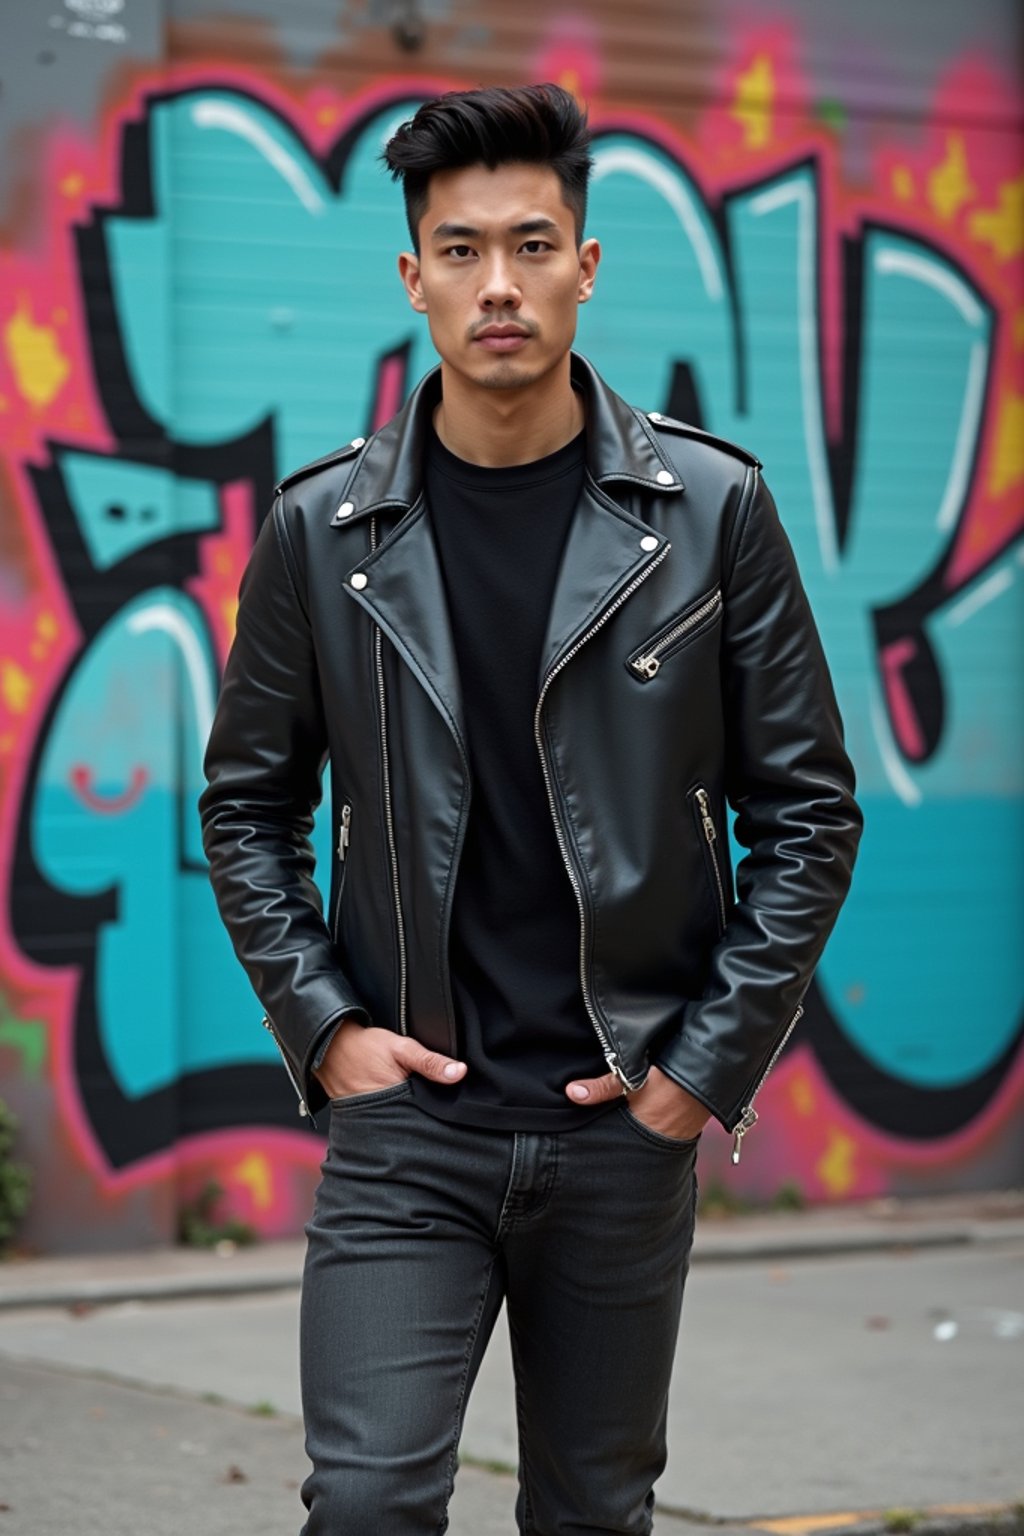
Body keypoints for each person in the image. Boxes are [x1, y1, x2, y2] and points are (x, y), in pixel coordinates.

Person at [200, 82, 862, 1536]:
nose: (497, 284)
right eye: (459, 249)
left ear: (586, 264)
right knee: (366, 1506)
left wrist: (701, 1068)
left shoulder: (710, 511)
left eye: (532, 243)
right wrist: (324, 1025)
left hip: (624, 1125)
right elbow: (246, 806)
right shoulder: (322, 532)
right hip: (408, 1132)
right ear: (411, 276)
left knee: (591, 1511)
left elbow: (808, 812)